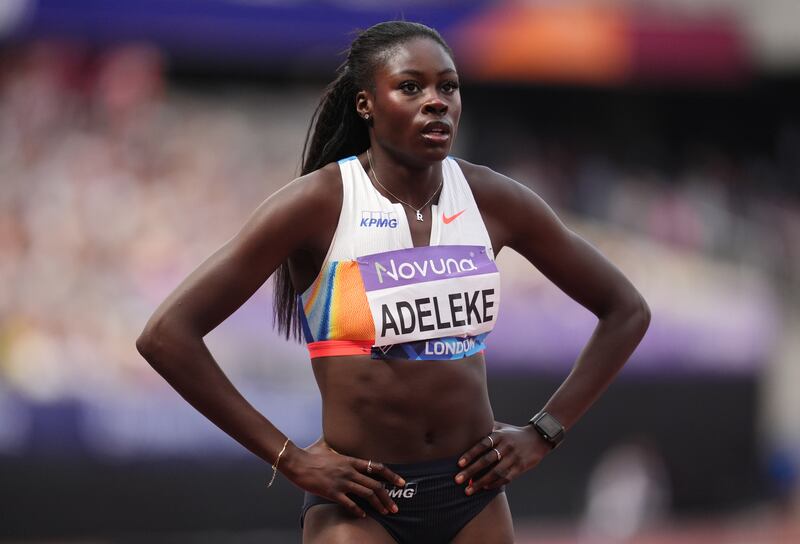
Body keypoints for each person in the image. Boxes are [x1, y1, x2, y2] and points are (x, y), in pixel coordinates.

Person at [136, 21, 650, 544]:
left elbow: (626, 309)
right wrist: (290, 459)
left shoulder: (492, 199)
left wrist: (545, 431)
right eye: (411, 87)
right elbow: (166, 335)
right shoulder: (318, 204)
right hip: (361, 504)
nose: (436, 102)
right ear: (366, 105)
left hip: (472, 495)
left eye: (448, 87)